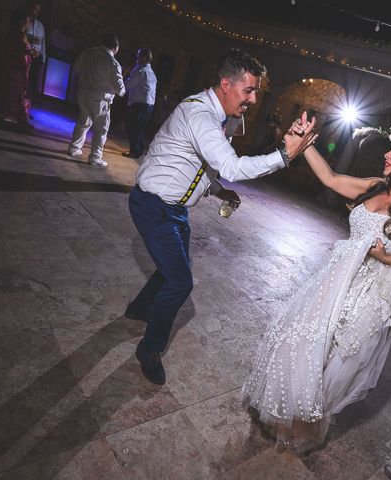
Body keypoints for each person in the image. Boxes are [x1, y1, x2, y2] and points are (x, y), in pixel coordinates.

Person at [242, 122, 391, 454]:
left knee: (331, 358)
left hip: (366, 294)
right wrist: (305, 146)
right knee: (304, 341)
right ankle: (283, 408)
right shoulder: (377, 185)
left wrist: (388, 257)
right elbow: (332, 179)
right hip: (335, 279)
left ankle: (302, 423)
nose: (387, 154)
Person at [126, 48, 316, 386]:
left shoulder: (218, 116)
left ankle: (139, 309)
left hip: (173, 209)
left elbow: (200, 166)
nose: (255, 99)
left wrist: (218, 191)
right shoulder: (199, 114)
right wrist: (284, 155)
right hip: (153, 206)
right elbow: (231, 165)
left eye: (257, 91)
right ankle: (149, 350)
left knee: (173, 266)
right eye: (249, 90)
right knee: (180, 281)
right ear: (226, 84)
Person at [67, 33, 125, 167]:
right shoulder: (113, 63)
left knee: (83, 121)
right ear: (116, 47)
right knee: (101, 129)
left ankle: (74, 148)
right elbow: (120, 90)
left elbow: (76, 68)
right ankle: (95, 157)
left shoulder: (87, 53)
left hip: (83, 93)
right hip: (101, 100)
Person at [0, 9, 38, 128]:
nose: (29, 22)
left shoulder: (13, 33)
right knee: (19, 92)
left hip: (13, 67)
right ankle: (21, 119)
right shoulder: (20, 34)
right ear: (22, 22)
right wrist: (32, 52)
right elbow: (21, 50)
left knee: (10, 91)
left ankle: (5, 114)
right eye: (28, 20)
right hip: (18, 68)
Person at [122, 48, 157, 158]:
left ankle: (134, 152)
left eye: (139, 56)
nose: (137, 58)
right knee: (140, 129)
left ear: (145, 58)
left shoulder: (142, 72)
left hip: (140, 104)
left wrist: (124, 76)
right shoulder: (151, 72)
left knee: (134, 127)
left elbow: (129, 85)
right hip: (148, 105)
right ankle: (138, 150)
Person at [24, 0, 45, 98]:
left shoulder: (40, 26)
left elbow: (43, 43)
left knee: (32, 83)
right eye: (34, 8)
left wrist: (43, 58)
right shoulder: (24, 21)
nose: (35, 11)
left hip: (36, 57)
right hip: (25, 55)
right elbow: (19, 35)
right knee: (23, 80)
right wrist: (31, 39)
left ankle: (27, 103)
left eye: (37, 10)